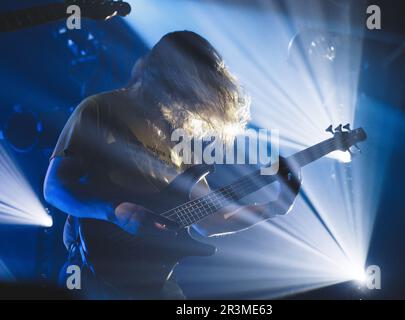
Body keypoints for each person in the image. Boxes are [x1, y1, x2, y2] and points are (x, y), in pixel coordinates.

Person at [44, 31, 300, 299]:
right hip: (94, 276)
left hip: (155, 284)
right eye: (192, 88)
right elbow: (55, 188)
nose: (194, 102)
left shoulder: (181, 138)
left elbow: (208, 221)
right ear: (168, 76)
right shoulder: (100, 109)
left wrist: (273, 208)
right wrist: (115, 212)